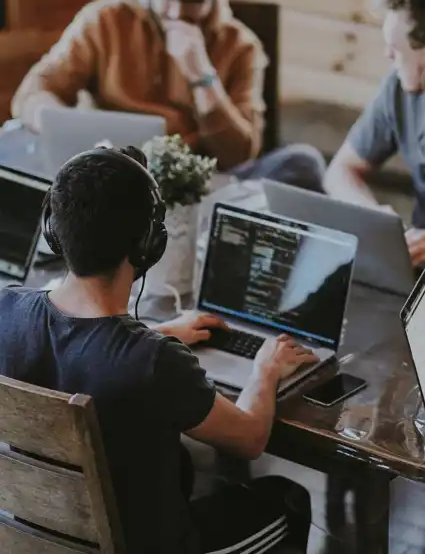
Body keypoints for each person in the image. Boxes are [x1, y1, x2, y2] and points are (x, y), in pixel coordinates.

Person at [0, 145, 317, 554]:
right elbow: (250, 438)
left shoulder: (6, 310)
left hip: (34, 535)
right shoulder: (152, 361)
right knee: (287, 499)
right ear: (150, 244)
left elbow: (81, 346)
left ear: (53, 230)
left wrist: (155, 331)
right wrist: (266, 370)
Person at [10, 0, 325, 188]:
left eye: (193, 1)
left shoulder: (241, 46)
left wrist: (202, 76)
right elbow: (33, 93)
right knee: (11, 142)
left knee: (304, 163)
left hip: (195, 184)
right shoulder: (102, 19)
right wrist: (61, 128)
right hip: (110, 174)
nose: (176, 12)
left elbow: (240, 155)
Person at [325, 0, 425, 269]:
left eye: (397, 48)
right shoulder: (398, 88)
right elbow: (341, 171)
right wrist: (373, 215)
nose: (388, 56)